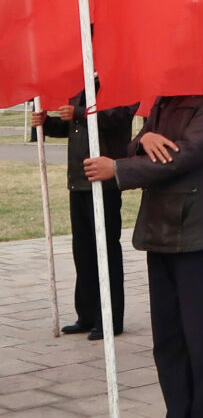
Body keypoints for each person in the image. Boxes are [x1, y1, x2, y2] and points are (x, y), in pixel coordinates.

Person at [84, 93, 203, 417]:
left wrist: (118, 169)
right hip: (159, 231)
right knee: (167, 341)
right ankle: (178, 411)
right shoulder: (164, 99)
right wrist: (146, 138)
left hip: (196, 232)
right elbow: (136, 143)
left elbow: (186, 155)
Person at [32, 87, 137, 340]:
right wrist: (47, 124)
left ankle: (110, 318)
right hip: (79, 180)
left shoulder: (118, 82)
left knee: (105, 250)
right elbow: (73, 128)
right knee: (83, 250)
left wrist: (78, 112)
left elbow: (118, 117)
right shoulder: (79, 86)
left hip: (105, 180)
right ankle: (87, 314)